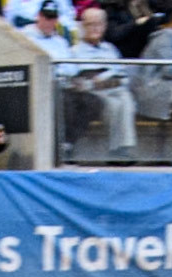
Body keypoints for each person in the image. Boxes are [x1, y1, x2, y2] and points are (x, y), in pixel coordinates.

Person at [60, 6, 141, 161]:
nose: (95, 28)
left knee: (126, 99)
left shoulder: (110, 49)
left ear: (104, 26)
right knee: (115, 104)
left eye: (99, 24)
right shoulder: (75, 52)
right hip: (92, 94)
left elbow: (123, 77)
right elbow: (74, 81)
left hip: (114, 90)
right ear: (82, 26)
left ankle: (123, 149)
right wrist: (100, 82)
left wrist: (104, 81)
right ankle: (116, 150)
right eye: (90, 24)